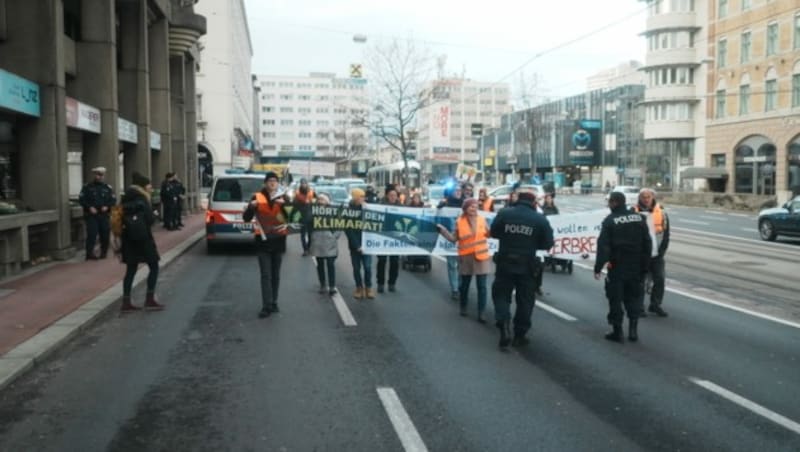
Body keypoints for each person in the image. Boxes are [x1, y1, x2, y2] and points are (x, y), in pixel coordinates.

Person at [490, 187, 554, 350]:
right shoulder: (539, 219)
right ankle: (520, 335)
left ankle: (504, 324)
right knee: (525, 300)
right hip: (527, 265)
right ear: (533, 203)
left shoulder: (505, 214)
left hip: (505, 262)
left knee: (501, 295)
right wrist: (532, 243)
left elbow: (494, 233)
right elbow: (547, 243)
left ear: (517, 200)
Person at [594, 191, 652, 343]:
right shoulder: (639, 218)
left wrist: (598, 267)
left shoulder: (610, 221)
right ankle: (633, 331)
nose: (609, 205)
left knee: (616, 299)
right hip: (637, 266)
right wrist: (645, 266)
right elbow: (648, 243)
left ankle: (617, 331)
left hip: (618, 267)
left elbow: (603, 247)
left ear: (614, 203)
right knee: (634, 298)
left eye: (610, 202)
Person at [243, 171, 290, 318]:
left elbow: (295, 218)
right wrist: (251, 206)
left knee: (275, 275)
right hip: (262, 242)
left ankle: (274, 302)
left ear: (278, 184)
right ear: (265, 183)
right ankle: (266, 306)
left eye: (275, 181)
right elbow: (246, 219)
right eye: (269, 181)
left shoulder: (284, 198)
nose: (272, 183)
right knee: (265, 275)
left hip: (278, 241)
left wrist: (286, 206)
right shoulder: (257, 197)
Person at [436, 198, 491, 323]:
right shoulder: (459, 222)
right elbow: (453, 238)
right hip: (466, 258)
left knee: (482, 287)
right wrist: (443, 231)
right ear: (465, 208)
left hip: (481, 257)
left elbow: (489, 234)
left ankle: (481, 313)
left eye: (476, 206)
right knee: (464, 286)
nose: (474, 208)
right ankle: (463, 306)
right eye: (471, 206)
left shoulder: (482, 220)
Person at [119, 172, 164, 312]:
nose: (151, 187)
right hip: (143, 239)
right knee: (154, 266)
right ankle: (149, 299)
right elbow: (149, 220)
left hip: (128, 239)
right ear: (143, 186)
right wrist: (154, 214)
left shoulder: (125, 197)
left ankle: (126, 302)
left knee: (131, 269)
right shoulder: (142, 199)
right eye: (149, 185)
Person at [632, 188, 670, 317]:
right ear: (639, 198)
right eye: (643, 197)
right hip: (640, 254)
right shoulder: (632, 212)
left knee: (660, 279)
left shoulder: (662, 212)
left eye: (648, 197)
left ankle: (655, 304)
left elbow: (666, 234)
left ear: (653, 197)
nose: (646, 199)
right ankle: (639, 307)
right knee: (640, 281)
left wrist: (662, 251)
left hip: (656, 254)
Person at [79, 166, 116, 260]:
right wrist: (89, 207)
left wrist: (107, 206)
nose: (98, 177)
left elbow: (113, 200)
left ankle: (103, 252)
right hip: (92, 215)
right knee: (92, 234)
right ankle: (89, 253)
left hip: (104, 215)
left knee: (105, 234)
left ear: (103, 176)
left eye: (100, 175)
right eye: (97, 175)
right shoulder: (87, 187)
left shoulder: (108, 188)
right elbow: (81, 199)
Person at [310, 194, 342, 296]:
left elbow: (339, 224)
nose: (320, 201)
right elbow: (308, 223)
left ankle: (332, 286)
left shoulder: (334, 211)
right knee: (320, 265)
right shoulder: (313, 211)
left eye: (323, 199)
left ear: (327, 201)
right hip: (318, 241)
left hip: (330, 241)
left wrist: (334, 236)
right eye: (319, 199)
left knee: (330, 264)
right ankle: (323, 285)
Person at [345, 188, 374, 299]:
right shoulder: (349, 211)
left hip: (367, 244)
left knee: (367, 267)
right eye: (361, 196)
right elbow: (348, 230)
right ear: (356, 198)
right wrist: (357, 246)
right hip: (355, 246)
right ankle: (359, 287)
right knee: (356, 268)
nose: (363, 198)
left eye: (363, 196)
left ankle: (368, 287)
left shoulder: (367, 209)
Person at [437, 185, 464, 300]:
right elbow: (438, 221)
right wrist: (439, 208)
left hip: (464, 240)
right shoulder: (445, 205)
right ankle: (455, 289)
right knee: (452, 265)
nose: (458, 192)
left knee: (462, 266)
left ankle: (461, 286)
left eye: (459, 190)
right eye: (456, 190)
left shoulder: (465, 204)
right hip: (450, 239)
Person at [376, 185, 402, 293]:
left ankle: (392, 283)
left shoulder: (401, 207)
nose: (393, 197)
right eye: (391, 195)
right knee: (382, 261)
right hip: (383, 237)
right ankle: (380, 284)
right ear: (387, 195)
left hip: (395, 238)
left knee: (394, 262)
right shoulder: (380, 205)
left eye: (395, 195)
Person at [293, 178, 315, 256]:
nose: (304, 185)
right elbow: (294, 205)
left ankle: (308, 248)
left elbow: (317, 203)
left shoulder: (312, 192)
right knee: (302, 234)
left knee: (310, 234)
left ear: (307, 184)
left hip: (311, 217)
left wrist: (312, 202)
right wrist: (302, 203)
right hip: (302, 217)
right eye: (302, 183)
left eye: (305, 183)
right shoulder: (298, 193)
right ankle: (305, 249)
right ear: (300, 184)